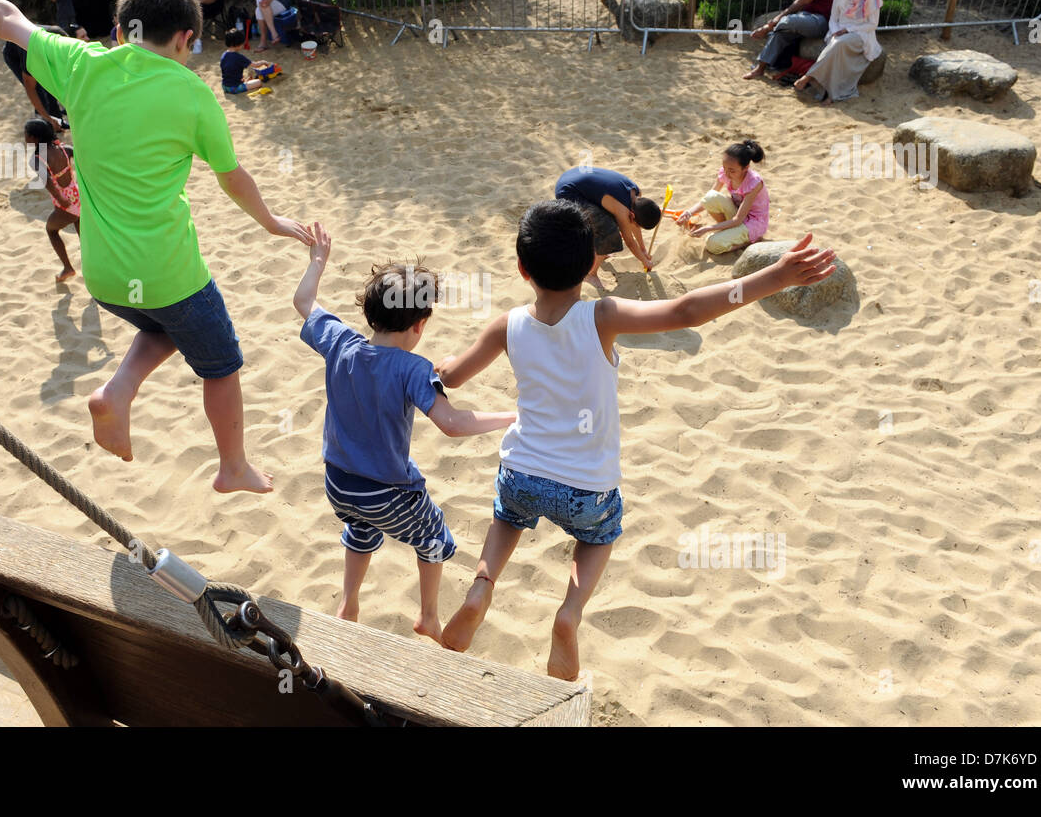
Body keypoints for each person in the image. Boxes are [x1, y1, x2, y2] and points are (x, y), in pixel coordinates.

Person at [0, 0, 312, 492]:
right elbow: (232, 178)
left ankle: (116, 392)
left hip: (104, 275)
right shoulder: (192, 94)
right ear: (186, 37)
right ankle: (233, 466)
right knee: (222, 365)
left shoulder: (81, 65)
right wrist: (272, 222)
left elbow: (3, 17)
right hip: (168, 270)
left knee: (161, 328)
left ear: (119, 27)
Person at [436, 201, 835, 679]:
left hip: (521, 470)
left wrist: (429, 368)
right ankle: (570, 611)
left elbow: (453, 377)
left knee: (507, 518)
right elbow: (687, 311)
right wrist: (774, 277)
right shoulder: (601, 317)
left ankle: (482, 584)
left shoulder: (508, 325)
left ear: (522, 269)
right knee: (599, 535)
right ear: (591, 264)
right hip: (587, 487)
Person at [293, 223, 516, 639]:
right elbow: (452, 423)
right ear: (420, 324)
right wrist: (509, 417)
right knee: (433, 537)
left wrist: (318, 261)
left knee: (360, 528)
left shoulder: (341, 342)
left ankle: (348, 603)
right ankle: (429, 615)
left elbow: (303, 300)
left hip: (338, 483)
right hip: (387, 490)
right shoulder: (413, 368)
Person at [554, 166, 661, 290]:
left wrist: (643, 250)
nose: (637, 227)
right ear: (632, 215)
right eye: (638, 224)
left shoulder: (637, 193)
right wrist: (645, 261)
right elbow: (630, 242)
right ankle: (591, 274)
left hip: (574, 174)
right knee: (609, 233)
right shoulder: (622, 210)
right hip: (568, 192)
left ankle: (600, 252)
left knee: (608, 221)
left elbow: (633, 225)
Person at [794, 0, 883, 104]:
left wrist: (847, 30)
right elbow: (833, 18)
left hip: (861, 33)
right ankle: (831, 94)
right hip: (839, 30)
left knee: (838, 44)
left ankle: (809, 77)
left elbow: (872, 24)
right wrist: (836, 31)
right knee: (837, 45)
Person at [675, 140, 770, 254]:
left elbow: (738, 219)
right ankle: (727, 231)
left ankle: (748, 241)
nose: (727, 173)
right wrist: (689, 213)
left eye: (732, 170)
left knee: (712, 245)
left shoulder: (754, 183)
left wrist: (708, 228)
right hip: (737, 214)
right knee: (711, 196)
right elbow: (707, 199)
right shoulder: (725, 173)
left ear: (745, 168)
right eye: (724, 167)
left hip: (752, 222)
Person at [23, 117, 79, 282]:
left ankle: (68, 268)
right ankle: (94, 265)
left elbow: (48, 182)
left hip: (66, 203)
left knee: (51, 230)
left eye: (26, 134)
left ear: (34, 138)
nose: (24, 137)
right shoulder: (65, 149)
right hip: (78, 197)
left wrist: (62, 201)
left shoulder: (37, 159)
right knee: (81, 230)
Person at [2, 24, 76, 133]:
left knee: (49, 84)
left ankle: (57, 121)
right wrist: (47, 118)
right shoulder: (34, 54)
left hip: (32, 45)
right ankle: (44, 125)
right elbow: (30, 88)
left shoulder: (62, 37)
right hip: (14, 54)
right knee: (40, 91)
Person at [219, 28, 264, 95]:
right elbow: (255, 65)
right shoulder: (239, 57)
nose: (243, 45)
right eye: (242, 44)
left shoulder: (224, 55)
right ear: (238, 44)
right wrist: (263, 62)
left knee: (244, 79)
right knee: (259, 82)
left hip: (224, 86)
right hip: (234, 88)